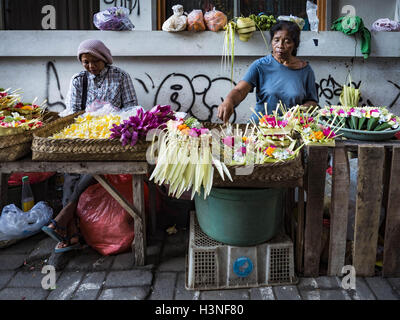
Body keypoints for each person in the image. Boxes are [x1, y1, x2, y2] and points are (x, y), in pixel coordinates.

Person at [42, 39, 139, 253]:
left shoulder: (120, 77)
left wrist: (111, 117)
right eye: (85, 62)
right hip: (84, 138)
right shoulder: (79, 80)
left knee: (91, 171)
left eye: (95, 61)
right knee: (70, 174)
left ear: (104, 59)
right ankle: (71, 232)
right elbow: (73, 113)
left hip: (110, 140)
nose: (90, 66)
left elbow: (132, 109)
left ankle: (64, 223)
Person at [218, 20, 318, 124]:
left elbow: (312, 101)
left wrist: (302, 109)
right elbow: (240, 90)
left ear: (295, 44)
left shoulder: (306, 70)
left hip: (291, 129)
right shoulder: (260, 66)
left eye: (287, 41)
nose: (280, 45)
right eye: (276, 40)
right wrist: (229, 101)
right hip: (260, 128)